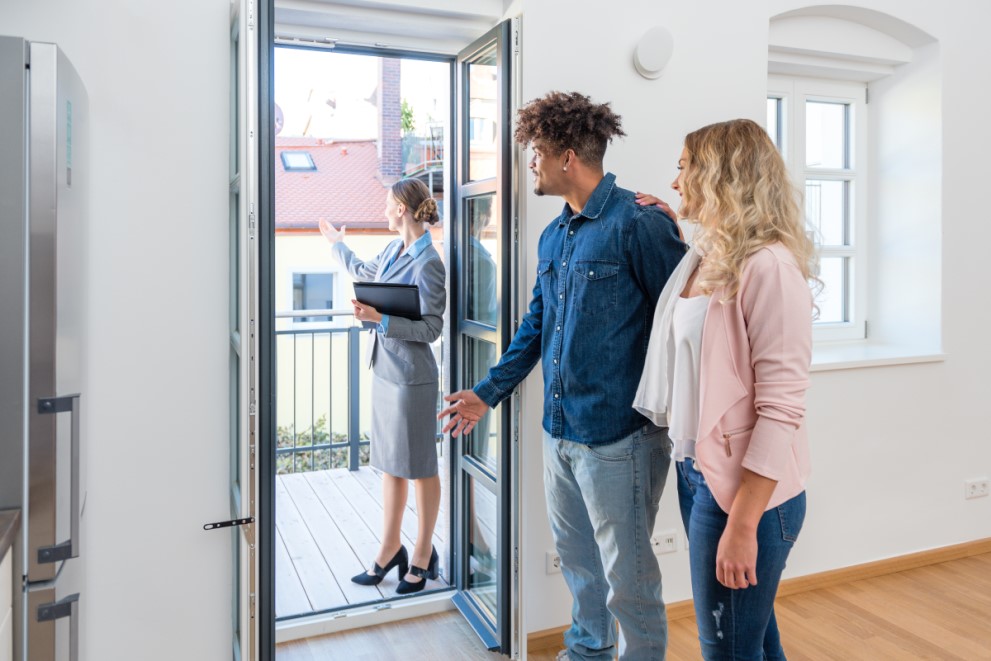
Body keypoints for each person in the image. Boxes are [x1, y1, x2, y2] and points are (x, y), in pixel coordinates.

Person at [439, 91, 686, 661]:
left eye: (536, 154)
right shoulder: (554, 237)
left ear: (567, 157)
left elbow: (687, 318)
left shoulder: (639, 224)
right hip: (561, 432)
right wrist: (486, 393)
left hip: (621, 436)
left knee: (630, 575)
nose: (531, 164)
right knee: (578, 564)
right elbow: (536, 325)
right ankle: (586, 651)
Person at [633, 118, 817, 660]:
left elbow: (781, 409)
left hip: (747, 497)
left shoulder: (771, 268)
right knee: (753, 640)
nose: (674, 183)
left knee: (727, 650)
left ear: (720, 174)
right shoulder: (706, 256)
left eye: (684, 168)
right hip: (702, 476)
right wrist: (682, 226)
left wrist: (744, 523)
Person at [319, 178, 446, 595]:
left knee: (421, 468)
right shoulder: (394, 249)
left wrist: (380, 320)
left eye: (388, 204)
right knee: (391, 464)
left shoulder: (429, 262)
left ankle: (424, 555)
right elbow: (363, 273)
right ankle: (390, 549)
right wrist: (338, 245)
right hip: (386, 372)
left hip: (413, 380)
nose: (383, 210)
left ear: (403, 210)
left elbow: (431, 328)